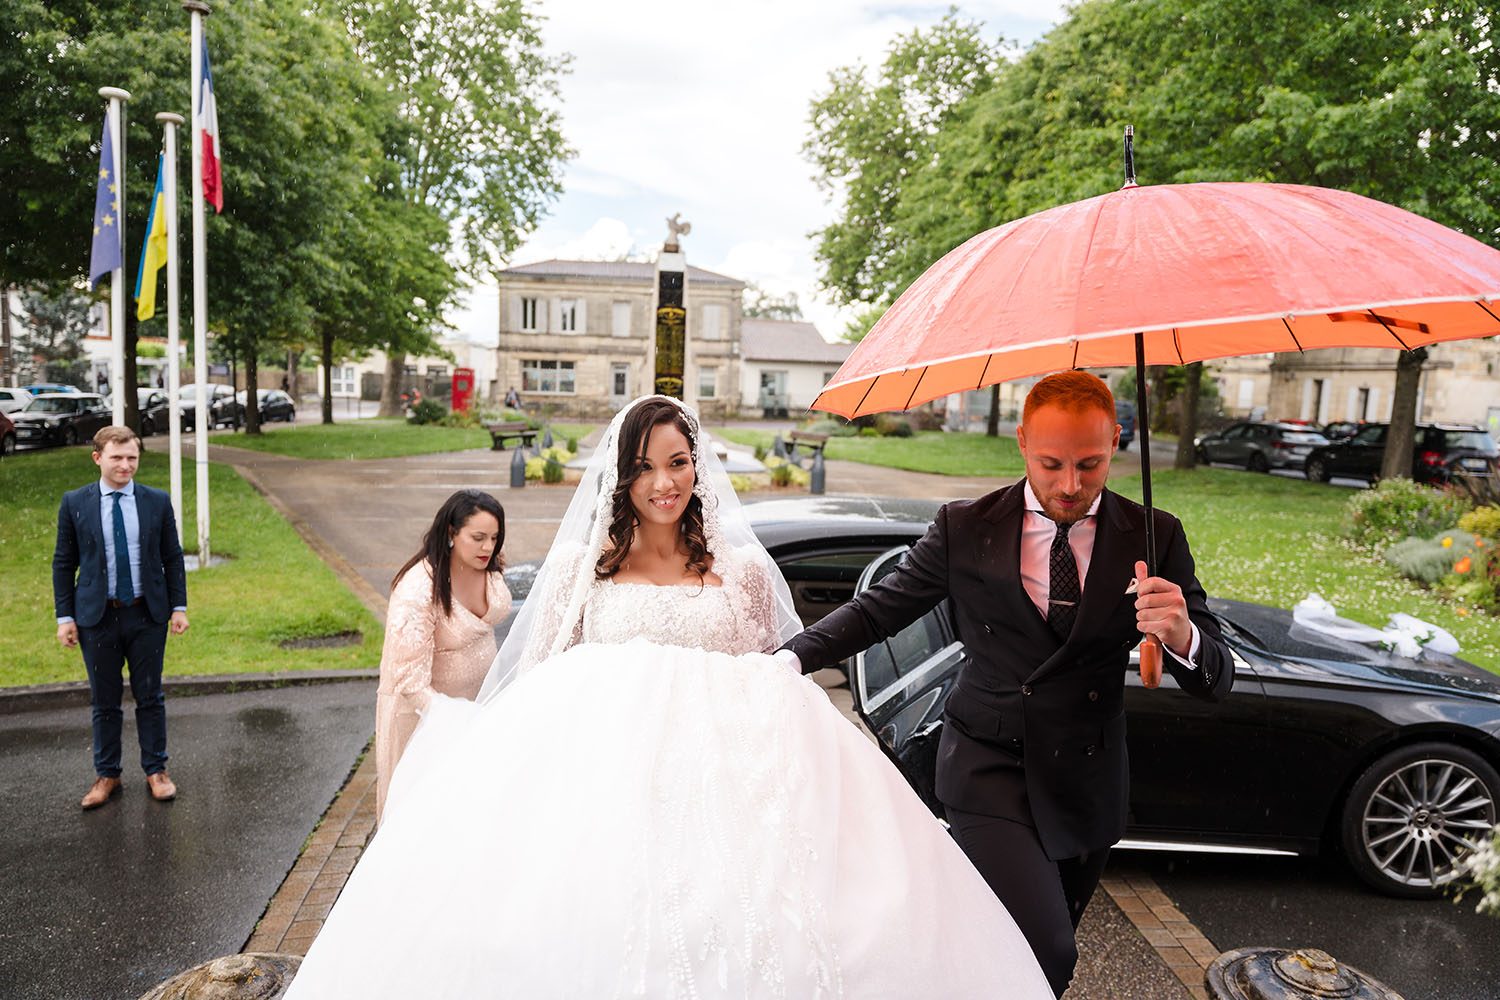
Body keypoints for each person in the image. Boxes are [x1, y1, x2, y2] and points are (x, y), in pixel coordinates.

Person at [284, 396, 1051, 999]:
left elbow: (769, 677)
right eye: (648, 466)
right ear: (622, 475)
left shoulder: (742, 571)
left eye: (680, 462)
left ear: (698, 467)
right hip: (606, 788)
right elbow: (540, 672)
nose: (665, 482)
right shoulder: (588, 566)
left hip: (726, 792)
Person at [777, 370, 1234, 998]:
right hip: (988, 764)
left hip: (1087, 776)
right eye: (1051, 463)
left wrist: (1181, 633)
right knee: (1047, 949)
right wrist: (787, 659)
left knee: (1021, 956)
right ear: (1021, 443)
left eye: (1091, 464)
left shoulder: (1156, 535)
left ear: (1118, 441)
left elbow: (1218, 677)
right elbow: (881, 608)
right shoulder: (966, 526)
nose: (1070, 485)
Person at [53, 426, 189, 809]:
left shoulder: (156, 502)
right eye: (117, 457)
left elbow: (172, 557)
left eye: (132, 457)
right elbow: (64, 563)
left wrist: (178, 607)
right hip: (97, 617)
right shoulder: (75, 502)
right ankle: (107, 774)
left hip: (147, 615)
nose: (125, 465)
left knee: (150, 696)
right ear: (98, 457)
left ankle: (156, 771)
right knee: (105, 701)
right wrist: (65, 616)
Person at [376, 490, 511, 820]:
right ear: (451, 533)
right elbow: (409, 678)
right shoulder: (418, 589)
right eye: (477, 537)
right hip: (426, 719)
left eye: (494, 537)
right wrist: (450, 720)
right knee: (425, 816)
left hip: (477, 708)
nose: (487, 547)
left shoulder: (486, 568)